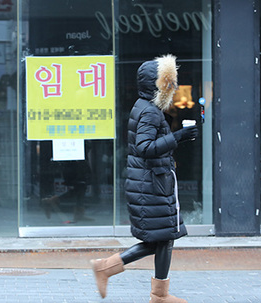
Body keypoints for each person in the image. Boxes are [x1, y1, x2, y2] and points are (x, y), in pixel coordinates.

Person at [91, 54, 198, 302]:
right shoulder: (150, 112)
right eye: (167, 82)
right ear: (156, 85)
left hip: (150, 183)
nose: (172, 87)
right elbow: (146, 147)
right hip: (152, 185)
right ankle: (113, 272)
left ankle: (151, 290)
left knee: (163, 238)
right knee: (164, 237)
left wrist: (176, 137)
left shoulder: (144, 107)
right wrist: (179, 136)